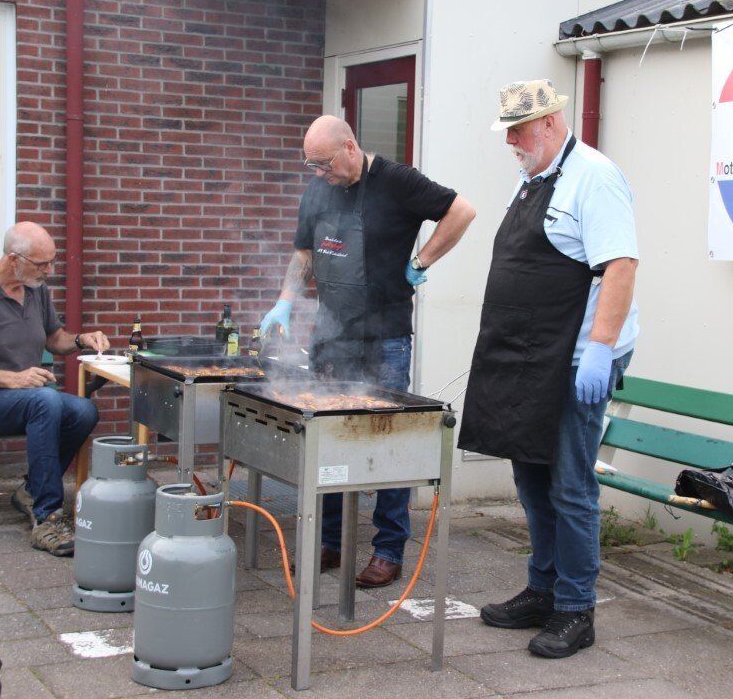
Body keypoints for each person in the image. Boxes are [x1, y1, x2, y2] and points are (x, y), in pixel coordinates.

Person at [459, 79, 639, 659]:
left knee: (569, 484)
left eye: (518, 130)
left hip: (578, 356)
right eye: (508, 131)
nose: (510, 141)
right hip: (529, 355)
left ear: (549, 122)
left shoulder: (596, 177)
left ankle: (576, 608)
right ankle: (542, 590)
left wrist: (601, 347)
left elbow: (620, 266)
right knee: (532, 479)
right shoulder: (533, 177)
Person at [260, 115, 476, 588]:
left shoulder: (398, 181)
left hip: (386, 338)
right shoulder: (318, 190)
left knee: (388, 440)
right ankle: (330, 542)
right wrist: (285, 302)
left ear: (350, 147)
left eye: (324, 164)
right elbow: (304, 254)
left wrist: (421, 261)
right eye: (312, 166)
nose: (320, 174)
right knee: (328, 440)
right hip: (331, 338)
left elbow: (462, 211)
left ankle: (388, 549)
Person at [0, 222, 110, 556]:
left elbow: (54, 338)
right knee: (46, 401)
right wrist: (14, 379)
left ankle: (31, 490)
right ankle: (47, 518)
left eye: (52, 262)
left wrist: (81, 339)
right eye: (42, 264)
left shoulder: (35, 289)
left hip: (26, 398)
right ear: (13, 259)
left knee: (83, 411)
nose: (49, 271)